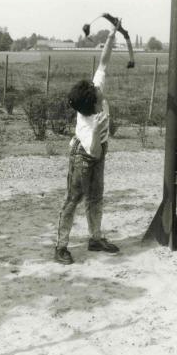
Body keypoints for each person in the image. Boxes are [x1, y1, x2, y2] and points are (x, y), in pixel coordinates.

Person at [55, 21, 121, 265]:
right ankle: (61, 246)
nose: (100, 91)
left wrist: (112, 35)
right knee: (73, 199)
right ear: (92, 106)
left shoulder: (93, 92)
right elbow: (91, 150)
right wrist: (97, 132)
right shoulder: (87, 125)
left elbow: (103, 62)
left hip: (99, 149)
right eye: (98, 97)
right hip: (84, 154)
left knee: (97, 196)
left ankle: (95, 239)